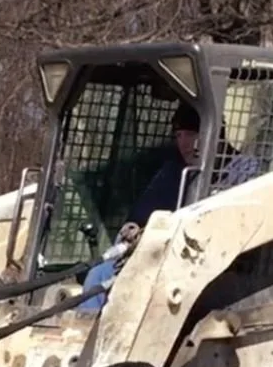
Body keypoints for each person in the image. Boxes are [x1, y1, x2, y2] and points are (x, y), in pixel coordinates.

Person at [79, 102, 201, 310]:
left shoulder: (238, 170)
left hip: (198, 261)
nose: (184, 143)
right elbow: (143, 213)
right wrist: (132, 229)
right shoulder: (172, 172)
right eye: (179, 135)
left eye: (190, 134)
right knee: (99, 275)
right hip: (158, 253)